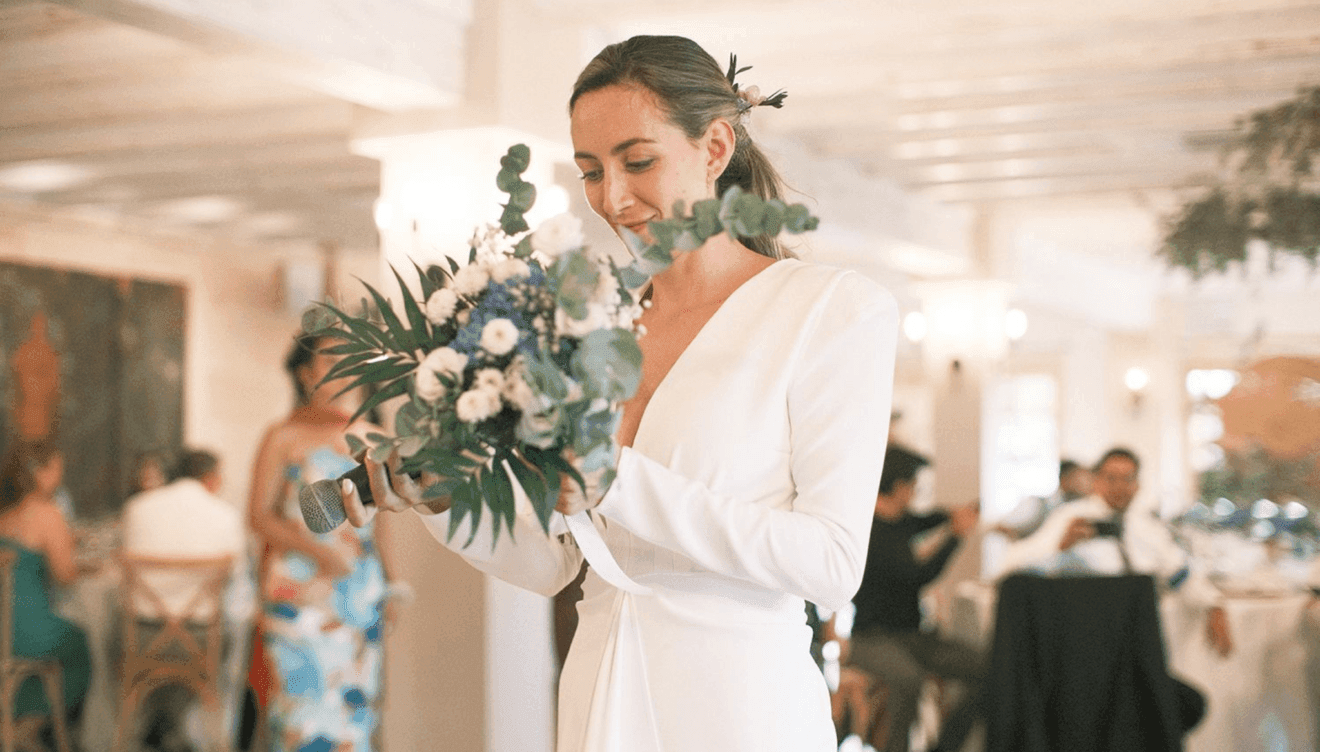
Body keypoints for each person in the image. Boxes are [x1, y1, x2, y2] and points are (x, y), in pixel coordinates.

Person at [341, 34, 899, 752]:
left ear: (716, 146)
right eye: (590, 171)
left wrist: (615, 479)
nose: (613, 197)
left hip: (738, 703)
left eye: (638, 162)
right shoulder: (589, 326)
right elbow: (557, 565)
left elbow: (829, 563)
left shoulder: (829, 309)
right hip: (598, 691)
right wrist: (447, 507)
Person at [999, 446, 1226, 732]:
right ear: (1096, 481)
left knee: (1188, 706)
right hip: (1081, 653)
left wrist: (1213, 604)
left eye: (1127, 479)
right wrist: (1058, 548)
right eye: (1111, 478)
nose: (1119, 486)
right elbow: (1013, 565)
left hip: (1133, 651)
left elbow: (1180, 573)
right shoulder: (1072, 518)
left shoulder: (1146, 527)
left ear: (1138, 484)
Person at [247, 334, 396, 751]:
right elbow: (258, 516)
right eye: (330, 358)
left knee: (355, 714)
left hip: (358, 595)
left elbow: (379, 524)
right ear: (306, 373)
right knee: (300, 712)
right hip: (300, 591)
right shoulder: (282, 436)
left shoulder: (373, 439)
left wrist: (391, 583)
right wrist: (317, 551)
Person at [842, 445, 982, 752]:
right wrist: (956, 535)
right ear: (900, 487)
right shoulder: (871, 533)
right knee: (909, 680)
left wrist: (955, 515)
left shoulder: (900, 520)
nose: (917, 492)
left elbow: (925, 520)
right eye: (915, 485)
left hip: (912, 637)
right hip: (872, 638)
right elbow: (918, 577)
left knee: (985, 668)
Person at [121, 449, 247, 752]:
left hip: (141, 638)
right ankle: (195, 734)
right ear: (211, 478)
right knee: (234, 639)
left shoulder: (137, 507)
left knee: (109, 637)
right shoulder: (226, 515)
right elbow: (238, 579)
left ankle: (149, 729)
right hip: (203, 642)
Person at [0, 439, 92, 734]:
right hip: (27, 632)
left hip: (4, 631)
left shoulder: (5, 515)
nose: (59, 477)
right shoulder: (45, 512)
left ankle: (11, 721)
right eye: (56, 469)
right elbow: (65, 575)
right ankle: (29, 727)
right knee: (81, 643)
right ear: (40, 473)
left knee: (29, 660)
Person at [994, 458, 1091, 540]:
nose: (1085, 484)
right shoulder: (1038, 502)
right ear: (1065, 479)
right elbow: (1005, 527)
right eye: (1079, 479)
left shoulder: (1079, 506)